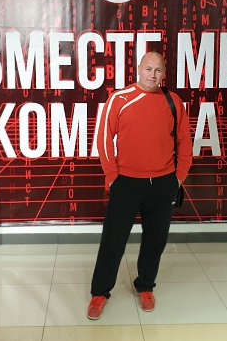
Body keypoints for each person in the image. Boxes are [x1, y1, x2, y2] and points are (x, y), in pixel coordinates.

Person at [87, 51, 193, 320]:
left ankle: (146, 286)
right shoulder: (120, 98)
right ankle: (100, 293)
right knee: (113, 240)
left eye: (158, 70)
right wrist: (112, 176)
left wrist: (179, 176)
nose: (152, 75)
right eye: (148, 69)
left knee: (155, 239)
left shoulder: (173, 101)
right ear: (138, 69)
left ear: (164, 73)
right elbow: (103, 138)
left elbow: (184, 141)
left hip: (163, 182)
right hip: (126, 182)